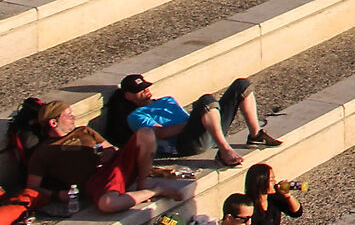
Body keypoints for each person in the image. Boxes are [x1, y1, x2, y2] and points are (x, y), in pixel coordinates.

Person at [17, 97, 180, 213]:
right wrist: (58, 194)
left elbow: (111, 148)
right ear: (53, 123)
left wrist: (109, 152)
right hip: (96, 181)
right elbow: (32, 187)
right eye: (68, 115)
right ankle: (156, 191)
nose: (74, 117)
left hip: (117, 164)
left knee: (145, 132)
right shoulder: (43, 151)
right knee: (107, 204)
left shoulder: (83, 130)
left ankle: (143, 184)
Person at [105, 71, 276, 180]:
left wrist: (201, 120)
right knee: (206, 101)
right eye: (139, 91)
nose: (145, 91)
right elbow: (161, 133)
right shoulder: (136, 116)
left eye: (145, 87)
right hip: (185, 143)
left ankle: (255, 135)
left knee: (241, 84)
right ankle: (224, 150)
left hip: (204, 131)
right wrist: (197, 120)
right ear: (128, 97)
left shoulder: (166, 100)